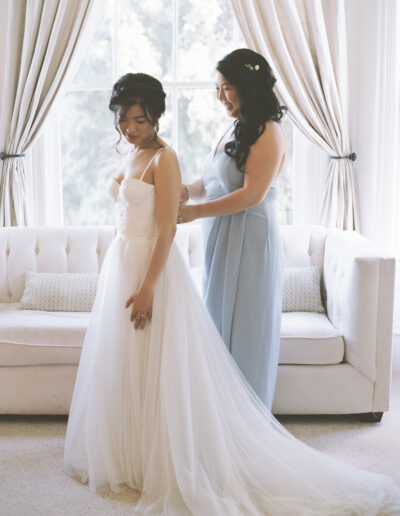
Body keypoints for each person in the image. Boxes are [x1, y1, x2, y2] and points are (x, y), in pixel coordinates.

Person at [64, 71, 400, 515]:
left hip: (151, 270)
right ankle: (133, 455)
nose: (130, 128)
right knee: (125, 364)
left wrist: (147, 287)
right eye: (125, 119)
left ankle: (167, 456)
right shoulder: (132, 154)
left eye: (140, 120)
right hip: (121, 267)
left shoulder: (163, 159)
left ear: (157, 118)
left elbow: (168, 229)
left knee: (156, 365)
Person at [178, 49, 284, 409]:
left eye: (228, 88)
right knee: (218, 321)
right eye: (218, 88)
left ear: (248, 87)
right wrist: (185, 191)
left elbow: (251, 194)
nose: (221, 97)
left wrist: (195, 213)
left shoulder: (269, 132)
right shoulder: (233, 127)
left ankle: (247, 416)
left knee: (247, 326)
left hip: (250, 237)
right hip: (222, 233)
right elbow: (213, 181)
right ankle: (220, 415)